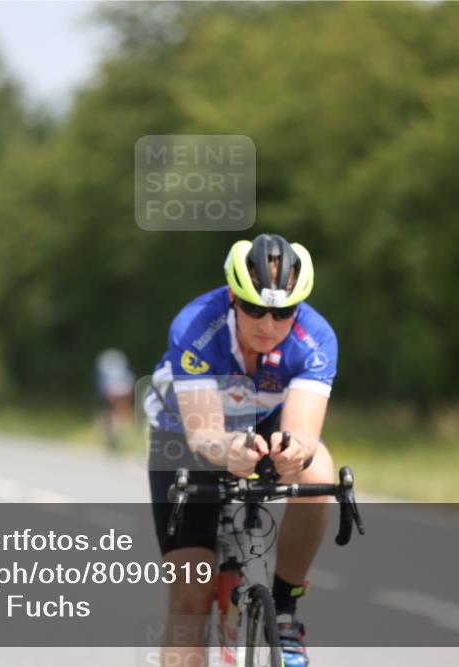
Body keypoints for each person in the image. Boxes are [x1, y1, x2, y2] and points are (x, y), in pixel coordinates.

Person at [145, 233, 338, 667]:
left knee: (318, 470)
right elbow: (204, 435)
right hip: (184, 431)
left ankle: (285, 614)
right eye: (254, 308)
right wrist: (229, 450)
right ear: (233, 296)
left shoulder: (316, 338)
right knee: (191, 600)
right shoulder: (196, 325)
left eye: (283, 311)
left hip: (263, 423)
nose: (268, 325)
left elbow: (303, 433)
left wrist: (294, 454)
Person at [95, 348, 135, 451]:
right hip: (118, 392)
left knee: (113, 415)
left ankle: (112, 438)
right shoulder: (123, 372)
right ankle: (114, 438)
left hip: (112, 392)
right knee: (117, 415)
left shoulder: (108, 372)